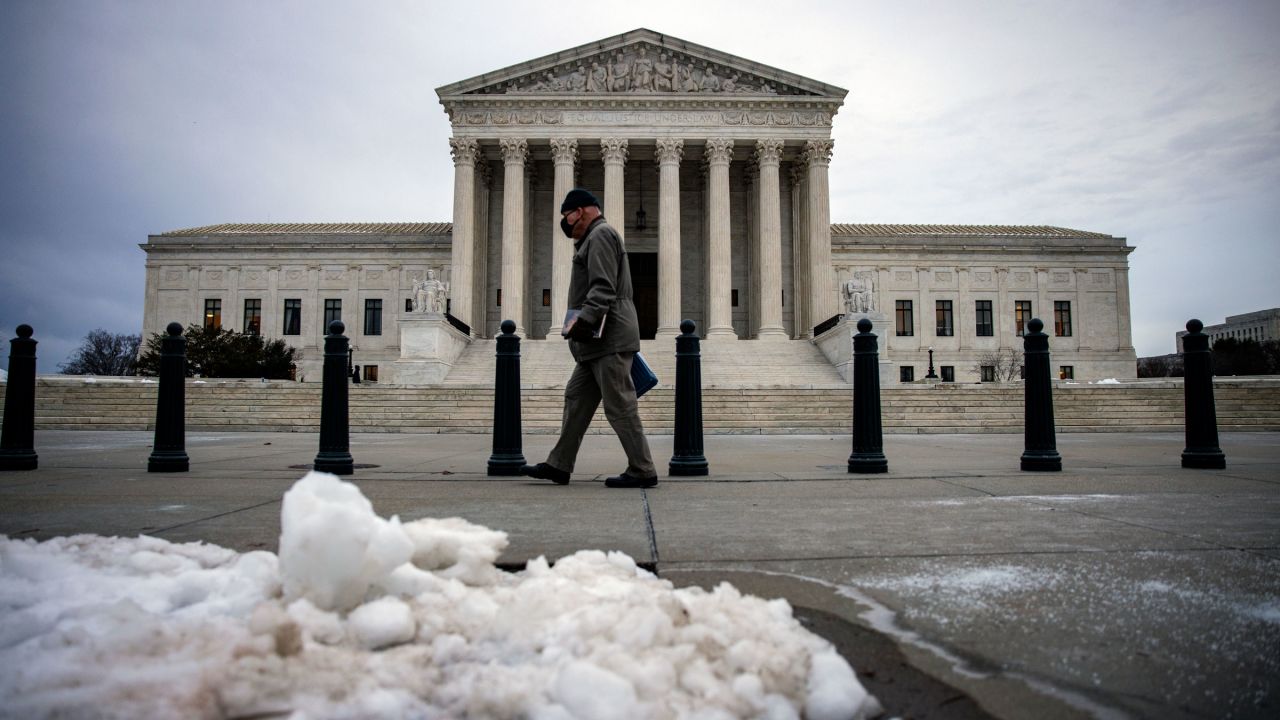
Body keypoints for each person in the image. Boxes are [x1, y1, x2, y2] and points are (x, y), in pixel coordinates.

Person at [521, 189, 658, 489]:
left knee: (620, 404)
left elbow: (603, 287)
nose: (565, 224)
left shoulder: (600, 236)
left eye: (566, 216)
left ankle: (643, 468)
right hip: (594, 342)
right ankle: (559, 464)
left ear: (580, 211)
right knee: (576, 400)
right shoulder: (593, 238)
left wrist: (585, 321)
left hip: (608, 337)